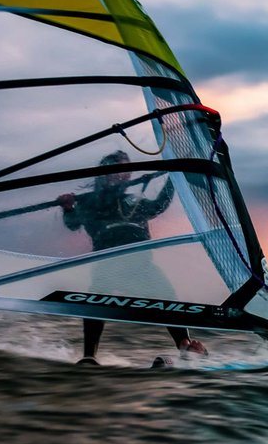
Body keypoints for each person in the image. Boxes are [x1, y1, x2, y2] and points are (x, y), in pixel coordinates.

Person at [57, 150, 207, 364]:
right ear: (105, 173)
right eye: (119, 170)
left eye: (127, 171)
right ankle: (89, 356)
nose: (125, 175)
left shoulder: (132, 199)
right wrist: (68, 208)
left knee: (168, 296)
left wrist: (174, 179)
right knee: (97, 300)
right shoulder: (89, 202)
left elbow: (158, 206)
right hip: (108, 262)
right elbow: (73, 224)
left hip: (141, 262)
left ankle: (184, 345)